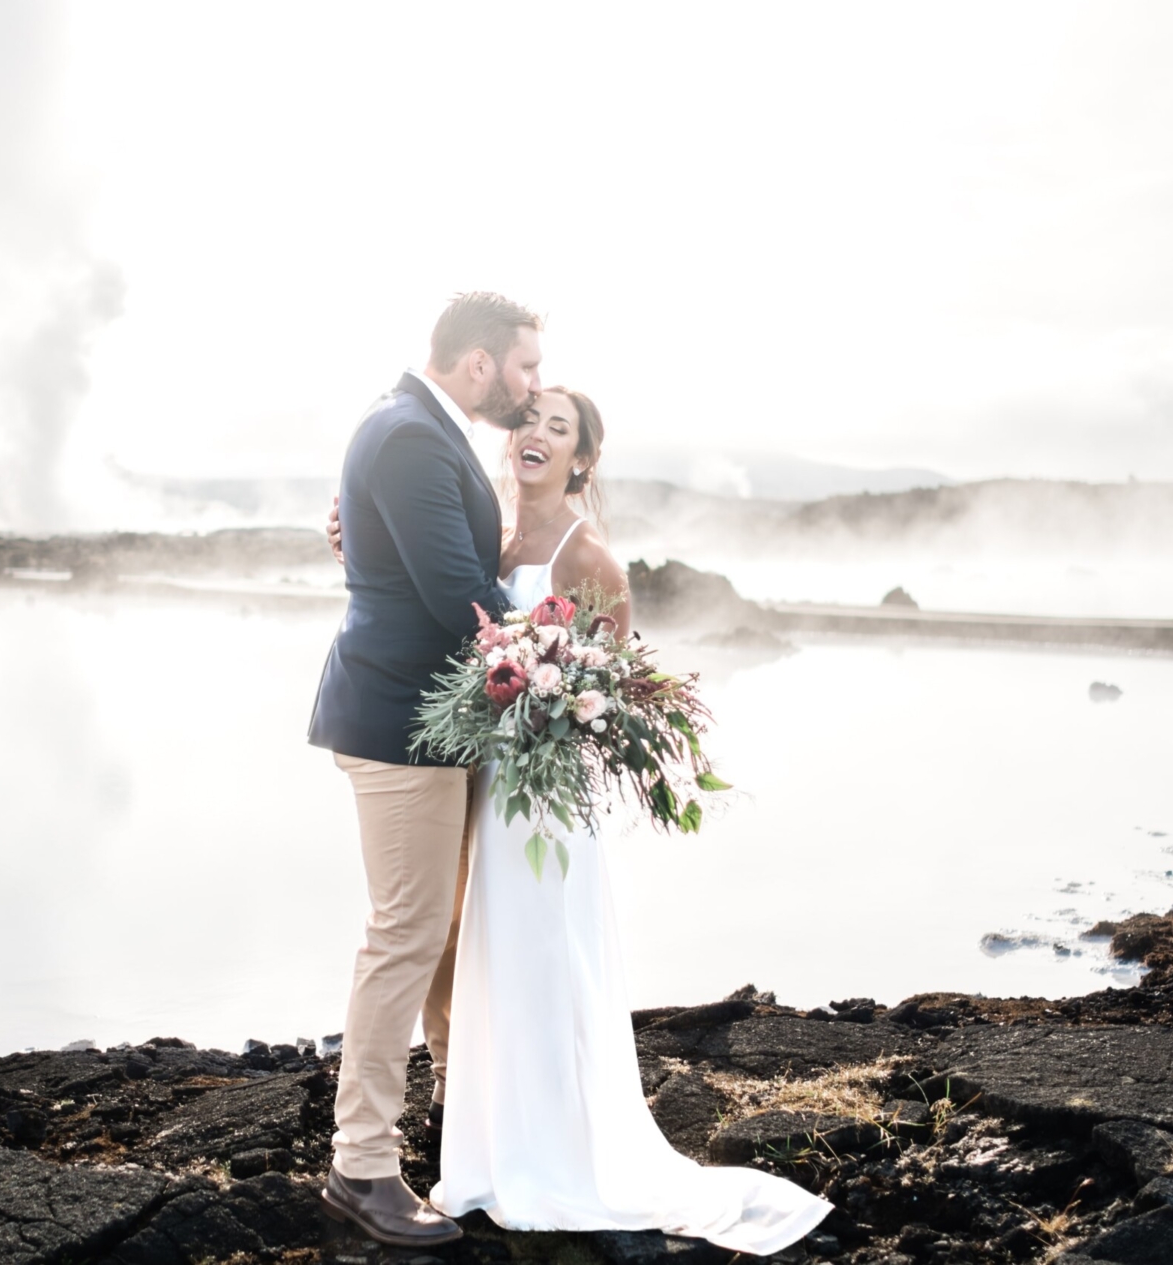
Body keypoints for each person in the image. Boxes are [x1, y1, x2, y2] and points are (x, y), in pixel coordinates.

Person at [318, 358, 833, 1254]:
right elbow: (426, 573)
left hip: (538, 792)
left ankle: (548, 1141)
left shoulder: (583, 550)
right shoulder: (488, 531)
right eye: (533, 418)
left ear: (582, 461)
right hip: (475, 768)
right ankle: (479, 1117)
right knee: (460, 939)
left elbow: (618, 675)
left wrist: (565, 692)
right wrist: (354, 536)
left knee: (536, 945)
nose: (537, 432)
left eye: (560, 428)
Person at [307, 291, 542, 1248]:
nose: (532, 383)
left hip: (437, 725)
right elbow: (459, 597)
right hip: (401, 721)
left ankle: (457, 1116)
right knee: (406, 933)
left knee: (444, 929)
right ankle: (360, 1165)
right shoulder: (408, 436)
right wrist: (562, 656)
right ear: (480, 363)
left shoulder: (418, 430)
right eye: (525, 365)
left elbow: (415, 565)